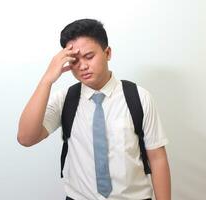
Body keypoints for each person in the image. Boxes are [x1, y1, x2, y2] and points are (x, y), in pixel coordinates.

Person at [17, 18, 171, 200]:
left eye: (89, 57)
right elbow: (26, 138)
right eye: (74, 61)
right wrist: (47, 80)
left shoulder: (138, 97)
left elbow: (157, 159)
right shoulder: (65, 99)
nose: (82, 66)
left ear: (107, 53)